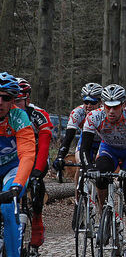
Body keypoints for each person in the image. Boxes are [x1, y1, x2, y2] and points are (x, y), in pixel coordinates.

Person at [80, 84, 126, 257]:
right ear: (102, 104)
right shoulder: (94, 117)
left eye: (116, 106)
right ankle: (104, 210)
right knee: (100, 174)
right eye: (108, 106)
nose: (111, 111)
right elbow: (84, 148)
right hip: (109, 149)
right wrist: (89, 168)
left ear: (124, 104)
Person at [53, 83, 103, 228]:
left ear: (100, 102)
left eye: (92, 102)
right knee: (80, 164)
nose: (88, 105)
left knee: (100, 168)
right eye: (85, 101)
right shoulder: (78, 113)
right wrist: (60, 156)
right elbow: (68, 138)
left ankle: (102, 209)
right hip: (86, 142)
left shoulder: (105, 113)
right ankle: (78, 204)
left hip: (103, 142)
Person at [14, 78, 53, 255]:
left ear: (27, 99)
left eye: (18, 101)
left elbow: (44, 146)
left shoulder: (38, 115)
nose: (14, 105)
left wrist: (37, 172)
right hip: (13, 156)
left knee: (36, 181)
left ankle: (37, 218)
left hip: (36, 155)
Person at [0, 72, 36, 257]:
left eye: (5, 98)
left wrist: (18, 185)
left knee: (8, 207)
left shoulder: (18, 117)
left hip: (12, 168)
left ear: (12, 100)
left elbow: (28, 154)